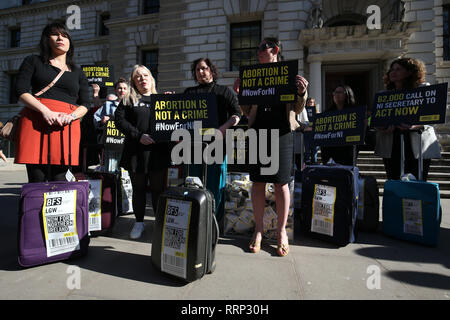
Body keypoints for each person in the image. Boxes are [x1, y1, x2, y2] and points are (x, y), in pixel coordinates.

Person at [234, 37, 308, 256]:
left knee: (281, 184)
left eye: (262, 48)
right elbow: (247, 111)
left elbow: (297, 106)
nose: (258, 51)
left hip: (283, 132)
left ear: (275, 50)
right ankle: (258, 230)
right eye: (257, 48)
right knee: (258, 182)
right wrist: (241, 93)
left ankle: (281, 232)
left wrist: (302, 93)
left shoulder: (289, 74)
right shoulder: (253, 76)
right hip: (259, 130)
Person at [14, 22, 89, 182]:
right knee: (37, 177)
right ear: (46, 40)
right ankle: (34, 207)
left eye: (65, 35)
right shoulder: (33, 61)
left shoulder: (78, 71)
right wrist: (45, 111)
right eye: (55, 34)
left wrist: (72, 116)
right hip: (36, 121)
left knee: (60, 178)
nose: (60, 38)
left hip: (66, 124)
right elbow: (20, 91)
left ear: (70, 42)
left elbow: (85, 104)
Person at [114, 65, 170, 239]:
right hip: (136, 152)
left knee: (157, 190)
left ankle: (159, 224)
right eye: (138, 77)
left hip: (158, 152)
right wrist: (138, 136)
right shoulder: (128, 99)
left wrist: (173, 104)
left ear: (151, 78)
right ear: (133, 81)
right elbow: (119, 121)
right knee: (138, 189)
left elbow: (174, 123)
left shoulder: (161, 99)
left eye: (145, 75)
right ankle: (139, 222)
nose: (142, 79)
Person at [184, 58, 241, 222]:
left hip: (217, 145)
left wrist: (223, 128)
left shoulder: (224, 91)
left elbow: (237, 114)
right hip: (193, 145)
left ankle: (213, 220)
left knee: (215, 183)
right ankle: (195, 219)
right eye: (197, 70)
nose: (201, 72)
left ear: (211, 70)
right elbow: (179, 117)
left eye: (204, 68)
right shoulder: (189, 93)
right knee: (193, 182)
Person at [375, 57, 441, 181]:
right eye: (391, 70)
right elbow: (376, 120)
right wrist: (381, 127)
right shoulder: (384, 95)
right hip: (392, 144)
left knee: (417, 182)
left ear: (410, 72)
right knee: (394, 181)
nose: (393, 73)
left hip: (417, 145)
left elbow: (433, 117)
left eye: (398, 69)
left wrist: (415, 126)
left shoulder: (423, 89)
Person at [94, 78, 129, 172]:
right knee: (111, 170)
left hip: (127, 143)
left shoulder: (132, 105)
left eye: (125, 88)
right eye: (120, 88)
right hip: (112, 143)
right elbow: (96, 117)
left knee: (126, 170)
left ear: (128, 90)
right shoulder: (108, 105)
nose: (122, 90)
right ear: (115, 90)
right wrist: (102, 121)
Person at [320, 85, 357, 166]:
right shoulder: (327, 113)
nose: (336, 94)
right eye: (335, 92)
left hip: (347, 151)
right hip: (330, 151)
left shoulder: (355, 112)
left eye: (340, 92)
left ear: (347, 95)